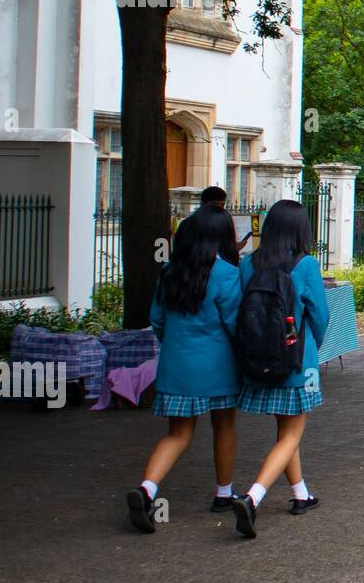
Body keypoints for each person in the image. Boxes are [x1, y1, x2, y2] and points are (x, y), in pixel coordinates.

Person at [127, 204, 243, 533]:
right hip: (219, 368)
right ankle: (224, 493)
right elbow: (234, 323)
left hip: (176, 367)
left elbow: (157, 321)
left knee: (178, 434)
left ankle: (147, 489)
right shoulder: (227, 275)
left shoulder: (169, 272)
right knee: (224, 426)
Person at [230, 199, 330, 539]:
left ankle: (301, 494)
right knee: (291, 435)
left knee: (286, 432)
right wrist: (310, 347)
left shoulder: (249, 263)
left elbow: (237, 312)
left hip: (257, 360)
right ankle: (253, 496)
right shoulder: (306, 265)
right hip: (296, 362)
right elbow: (320, 316)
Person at [200, 184, 252, 258]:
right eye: (215, 205)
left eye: (222, 205)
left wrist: (233, 249)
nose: (219, 208)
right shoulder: (191, 224)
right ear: (203, 204)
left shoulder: (224, 221)